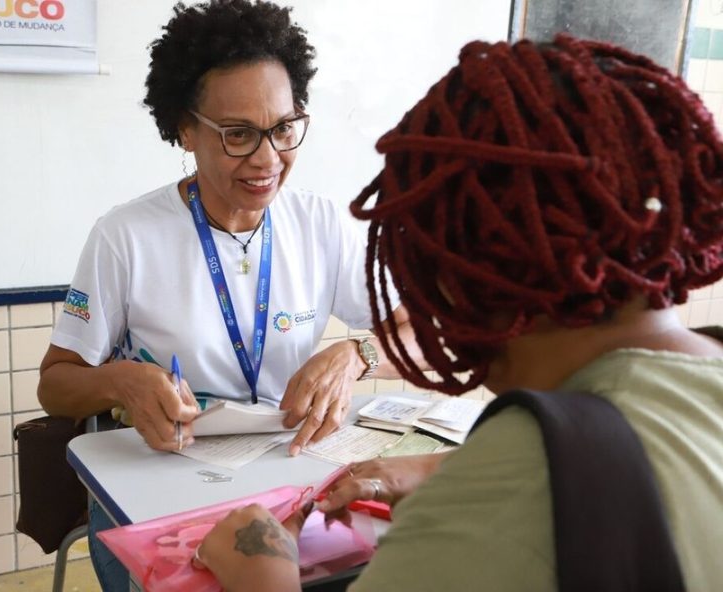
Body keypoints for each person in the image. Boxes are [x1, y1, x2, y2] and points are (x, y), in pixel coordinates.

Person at [193, 34, 723, 591]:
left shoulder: (509, 493)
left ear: (450, 266)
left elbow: (527, 492)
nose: (265, 155)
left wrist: (262, 573)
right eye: (238, 134)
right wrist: (435, 468)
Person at [37, 1, 419, 589]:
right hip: (164, 490)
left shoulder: (319, 223)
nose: (267, 159)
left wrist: (358, 355)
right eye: (238, 135)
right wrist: (121, 381)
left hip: (293, 480)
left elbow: (423, 329)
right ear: (184, 129)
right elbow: (55, 384)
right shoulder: (127, 236)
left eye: (284, 129)